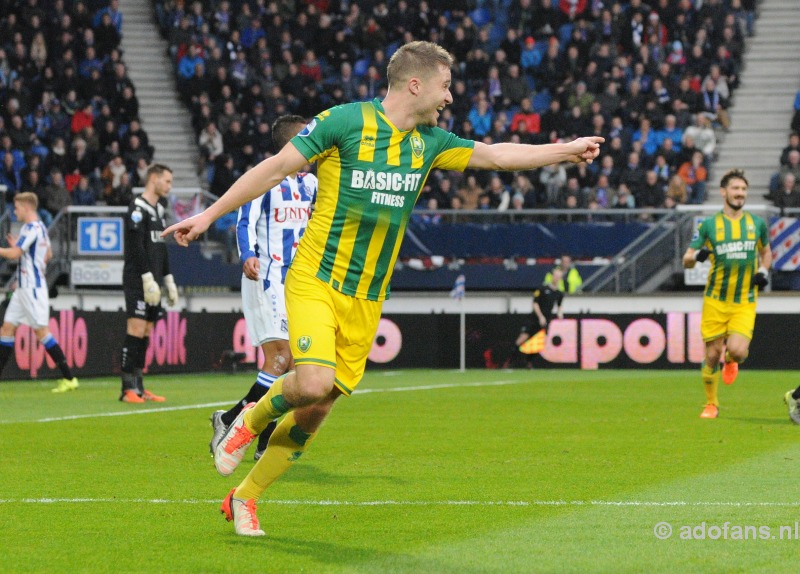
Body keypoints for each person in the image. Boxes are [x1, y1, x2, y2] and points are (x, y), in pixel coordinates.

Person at [163, 41, 602, 536]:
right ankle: (244, 423)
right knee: (310, 382)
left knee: (318, 408)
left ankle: (245, 498)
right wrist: (208, 215)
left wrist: (566, 150)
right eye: (445, 86)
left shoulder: (429, 142)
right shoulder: (344, 122)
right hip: (315, 278)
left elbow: (497, 155)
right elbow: (276, 168)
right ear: (415, 84)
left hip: (367, 297)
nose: (450, 97)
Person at [209, 115, 317, 462]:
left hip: (297, 282)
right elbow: (245, 220)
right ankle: (257, 440)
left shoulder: (311, 185)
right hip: (266, 278)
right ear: (292, 143)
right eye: (307, 138)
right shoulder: (267, 178)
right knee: (281, 359)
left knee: (290, 366)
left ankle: (230, 421)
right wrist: (248, 255)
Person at [682, 169, 771, 419]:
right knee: (711, 354)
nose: (740, 193)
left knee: (739, 351)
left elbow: (766, 252)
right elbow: (686, 259)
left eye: (743, 190)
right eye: (735, 189)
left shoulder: (756, 224)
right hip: (715, 300)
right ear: (724, 192)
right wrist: (696, 257)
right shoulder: (710, 225)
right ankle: (711, 404)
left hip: (744, 300)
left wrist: (763, 270)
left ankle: (731, 359)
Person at [0, 193, 79, 392]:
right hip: (24, 288)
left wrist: (14, 250)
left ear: (26, 207)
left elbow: (16, 254)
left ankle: (69, 378)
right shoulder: (41, 227)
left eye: (17, 208)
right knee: (7, 328)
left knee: (42, 332)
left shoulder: (31, 228)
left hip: (32, 288)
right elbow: (48, 255)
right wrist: (25, 251)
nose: (15, 211)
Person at [119, 163, 177, 403]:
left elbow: (160, 249)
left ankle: (140, 387)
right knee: (135, 329)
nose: (169, 186)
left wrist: (168, 278)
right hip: (137, 278)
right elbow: (135, 247)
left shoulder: (160, 209)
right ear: (153, 179)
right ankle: (126, 389)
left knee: (147, 331)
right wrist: (146, 277)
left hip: (154, 280)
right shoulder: (137, 208)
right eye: (167, 181)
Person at [515, 267, 564, 352]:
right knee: (523, 337)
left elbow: (559, 305)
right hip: (534, 318)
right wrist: (540, 316)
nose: (556, 278)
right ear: (552, 276)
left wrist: (560, 313)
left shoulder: (559, 293)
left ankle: (528, 362)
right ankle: (510, 359)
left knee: (540, 343)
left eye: (558, 276)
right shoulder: (542, 289)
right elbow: (535, 303)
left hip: (546, 319)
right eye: (555, 275)